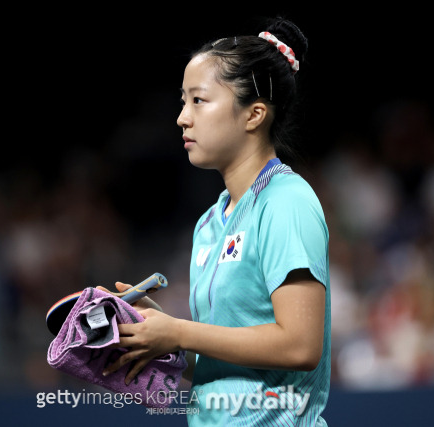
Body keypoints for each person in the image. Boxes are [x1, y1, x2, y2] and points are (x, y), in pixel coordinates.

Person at [100, 15, 330, 426]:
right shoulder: (209, 223)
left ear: (254, 114)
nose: (182, 118)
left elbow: (300, 346)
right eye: (182, 101)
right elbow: (225, 368)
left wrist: (180, 332)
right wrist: (158, 340)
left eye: (199, 100)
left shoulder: (286, 202)